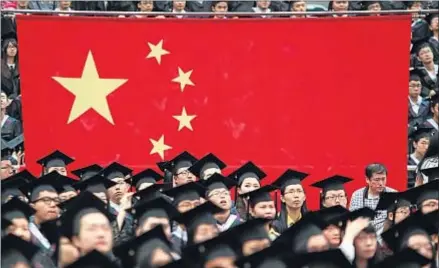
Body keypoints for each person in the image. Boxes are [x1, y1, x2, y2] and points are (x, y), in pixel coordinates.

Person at [20, 172, 73, 253]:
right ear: (32, 205)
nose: (53, 205)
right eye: (46, 200)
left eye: (57, 200)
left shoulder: (67, 230)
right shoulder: (23, 234)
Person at [349, 163, 396, 235]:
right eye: (377, 180)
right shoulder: (357, 195)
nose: (381, 183)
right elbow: (353, 221)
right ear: (367, 179)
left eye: (383, 179)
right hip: (363, 235)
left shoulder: (393, 194)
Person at [164, 182, 206, 252]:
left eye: (197, 205)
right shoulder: (166, 244)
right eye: (186, 205)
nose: (192, 208)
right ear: (175, 210)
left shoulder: (212, 237)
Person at [100, 162, 133, 245]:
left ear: (127, 186)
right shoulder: (102, 211)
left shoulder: (137, 206)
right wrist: (122, 211)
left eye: (121, 183)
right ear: (105, 189)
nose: (117, 187)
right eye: (112, 184)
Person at [271, 169, 309, 233]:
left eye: (299, 191)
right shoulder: (275, 227)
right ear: (282, 198)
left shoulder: (311, 223)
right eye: (291, 192)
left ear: (304, 197)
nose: (296, 195)